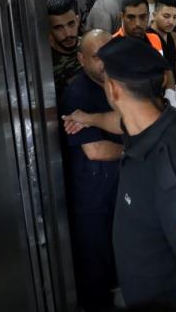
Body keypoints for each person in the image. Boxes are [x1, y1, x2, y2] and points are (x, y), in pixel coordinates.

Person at [63, 36, 176, 311]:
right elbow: (120, 122)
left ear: (112, 89)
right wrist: (88, 118)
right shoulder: (156, 120)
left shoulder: (173, 179)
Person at [60, 29, 123, 312]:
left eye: (108, 53)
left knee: (114, 253)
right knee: (93, 261)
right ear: (81, 59)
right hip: (92, 196)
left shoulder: (117, 84)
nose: (104, 61)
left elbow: (126, 120)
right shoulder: (76, 93)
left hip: (117, 188)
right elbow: (95, 150)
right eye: (97, 56)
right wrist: (136, 149)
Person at [47, 0, 82, 97]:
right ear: (49, 30)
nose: (68, 34)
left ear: (78, 21)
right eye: (58, 28)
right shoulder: (46, 65)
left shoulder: (90, 47)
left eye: (71, 24)